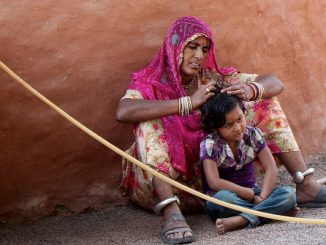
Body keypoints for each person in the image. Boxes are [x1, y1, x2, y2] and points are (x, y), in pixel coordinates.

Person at [116, 16, 326, 244]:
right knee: (151, 121)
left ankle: (305, 185)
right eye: (192, 46)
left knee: (263, 99)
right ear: (175, 45)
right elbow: (124, 111)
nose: (199, 56)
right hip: (166, 188)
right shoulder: (150, 83)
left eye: (205, 49)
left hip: (218, 188)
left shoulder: (211, 79)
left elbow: (275, 83)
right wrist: (187, 103)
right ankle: (172, 215)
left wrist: (251, 89)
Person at [200, 92, 296, 234]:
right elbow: (214, 182)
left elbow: (271, 168)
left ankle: (241, 220)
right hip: (227, 198)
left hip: (255, 195)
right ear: (215, 127)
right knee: (223, 200)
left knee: (288, 194)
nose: (237, 128)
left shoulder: (252, 135)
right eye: (228, 125)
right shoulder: (209, 144)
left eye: (240, 119)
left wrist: (262, 197)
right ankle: (272, 211)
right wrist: (248, 194)